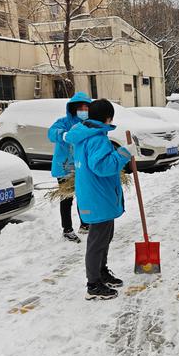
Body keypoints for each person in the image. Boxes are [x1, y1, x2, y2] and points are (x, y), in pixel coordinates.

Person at [64, 99, 137, 300]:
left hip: (96, 195)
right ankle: (93, 284)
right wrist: (123, 153)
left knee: (104, 237)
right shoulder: (97, 139)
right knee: (97, 241)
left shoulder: (87, 135)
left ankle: (101, 271)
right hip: (98, 197)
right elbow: (103, 167)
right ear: (108, 118)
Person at [47, 92, 92, 242]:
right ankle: (67, 229)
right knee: (66, 198)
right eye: (80, 107)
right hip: (65, 167)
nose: (83, 110)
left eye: (86, 107)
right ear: (73, 108)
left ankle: (85, 223)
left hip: (82, 167)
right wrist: (64, 135)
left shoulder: (89, 124)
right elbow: (51, 133)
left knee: (84, 195)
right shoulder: (64, 122)